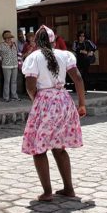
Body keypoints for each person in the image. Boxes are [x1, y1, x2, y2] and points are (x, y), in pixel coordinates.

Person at [21, 25, 87, 201]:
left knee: (39, 149)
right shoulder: (65, 55)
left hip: (44, 101)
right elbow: (78, 79)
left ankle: (47, 191)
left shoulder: (33, 58)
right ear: (53, 40)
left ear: (36, 40)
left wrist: (38, 101)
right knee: (59, 147)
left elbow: (30, 86)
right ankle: (69, 188)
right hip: (64, 100)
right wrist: (81, 104)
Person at [0, 30, 20, 102]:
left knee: (14, 81)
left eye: (10, 38)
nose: (9, 39)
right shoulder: (1, 45)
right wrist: (1, 58)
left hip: (15, 65)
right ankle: (6, 97)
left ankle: (14, 96)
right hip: (6, 65)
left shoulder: (14, 44)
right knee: (7, 81)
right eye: (7, 38)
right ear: (5, 38)